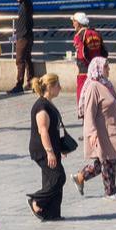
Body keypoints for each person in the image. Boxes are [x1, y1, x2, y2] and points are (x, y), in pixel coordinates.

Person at [74, 57, 116, 200]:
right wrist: (92, 133)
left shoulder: (106, 85)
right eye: (106, 67)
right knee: (108, 161)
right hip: (101, 131)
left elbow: (113, 105)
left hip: (111, 130)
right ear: (98, 69)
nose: (109, 69)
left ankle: (80, 177)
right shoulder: (93, 87)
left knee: (103, 163)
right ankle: (110, 192)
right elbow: (89, 112)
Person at [28, 74, 66, 221]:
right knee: (58, 177)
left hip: (52, 148)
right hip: (42, 150)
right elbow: (42, 130)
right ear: (50, 87)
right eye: (58, 85)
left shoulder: (48, 103)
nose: (60, 88)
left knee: (50, 179)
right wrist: (50, 152)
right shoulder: (41, 106)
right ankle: (36, 201)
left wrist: (58, 148)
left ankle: (52, 213)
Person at [7, 0, 35, 94]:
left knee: (20, 60)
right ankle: (31, 83)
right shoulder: (22, 5)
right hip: (23, 36)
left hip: (24, 37)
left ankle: (19, 84)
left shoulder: (27, 2)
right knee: (27, 60)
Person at [71, 13, 105, 102]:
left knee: (83, 97)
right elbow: (104, 52)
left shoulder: (79, 36)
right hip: (98, 71)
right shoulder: (96, 33)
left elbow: (82, 55)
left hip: (84, 71)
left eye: (74, 21)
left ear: (78, 23)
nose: (73, 24)